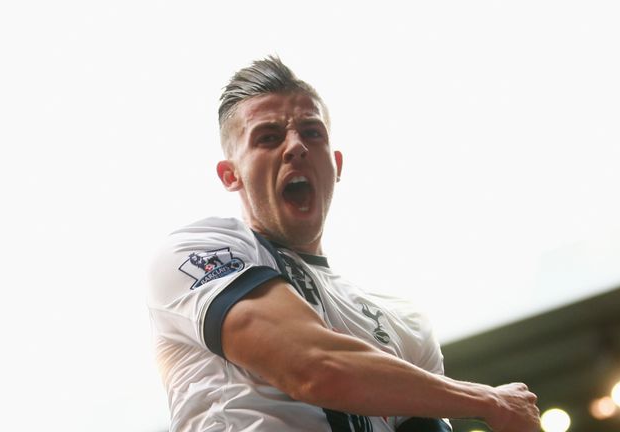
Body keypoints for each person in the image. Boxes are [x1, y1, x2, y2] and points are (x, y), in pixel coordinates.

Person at [148, 56, 540, 432]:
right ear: (230, 175)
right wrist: (489, 401)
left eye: (312, 132)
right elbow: (316, 368)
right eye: (268, 137)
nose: (296, 146)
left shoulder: (404, 321)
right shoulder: (198, 252)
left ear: (336, 164)